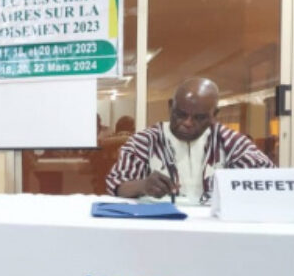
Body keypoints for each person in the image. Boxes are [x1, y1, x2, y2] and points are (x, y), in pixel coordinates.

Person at [106, 78, 274, 202]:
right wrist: (143, 185)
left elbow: (270, 181)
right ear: (171, 106)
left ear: (214, 115)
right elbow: (117, 186)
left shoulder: (230, 141)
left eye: (199, 118)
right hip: (158, 229)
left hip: (215, 230)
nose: (187, 123)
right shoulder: (145, 140)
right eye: (181, 114)